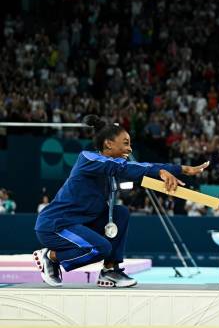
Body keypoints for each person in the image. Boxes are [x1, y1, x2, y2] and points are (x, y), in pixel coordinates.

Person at [33, 115, 209, 288]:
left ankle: (110, 270)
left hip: (82, 223)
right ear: (108, 143)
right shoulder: (87, 158)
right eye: (126, 143)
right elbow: (125, 167)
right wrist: (170, 170)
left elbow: (133, 171)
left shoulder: (111, 171)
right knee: (101, 247)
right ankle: (51, 256)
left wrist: (172, 172)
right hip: (55, 225)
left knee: (120, 213)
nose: (130, 149)